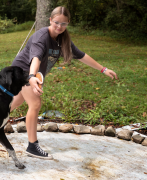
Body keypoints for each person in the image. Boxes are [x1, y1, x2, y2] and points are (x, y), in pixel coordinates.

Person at [10, 6, 118, 160]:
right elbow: (36, 58)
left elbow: (81, 55)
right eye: (56, 23)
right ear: (50, 20)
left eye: (64, 24)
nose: (59, 27)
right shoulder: (41, 37)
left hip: (32, 75)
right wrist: (32, 76)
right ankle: (32, 146)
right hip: (22, 72)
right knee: (35, 104)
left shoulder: (63, 39)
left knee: (14, 103)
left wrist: (103, 69)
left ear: (68, 23)